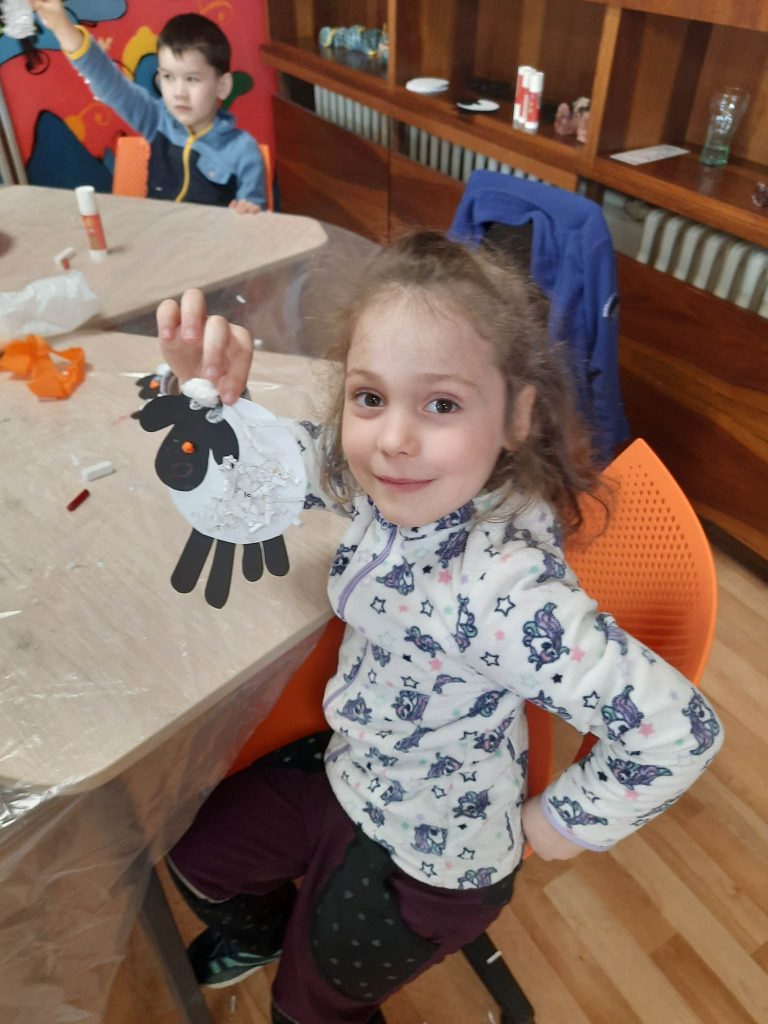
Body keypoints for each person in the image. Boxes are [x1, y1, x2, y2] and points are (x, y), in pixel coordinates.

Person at [154, 232, 723, 1024]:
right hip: (356, 767)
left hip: (432, 857)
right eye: (370, 398)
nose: (393, 439)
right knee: (195, 859)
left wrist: (557, 825)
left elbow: (678, 731)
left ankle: (311, 972)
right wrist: (207, 403)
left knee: (307, 1013)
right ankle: (280, 938)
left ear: (516, 416)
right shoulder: (391, 478)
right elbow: (272, 478)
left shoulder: (505, 597)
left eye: (442, 405)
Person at [31, 2, 266, 212]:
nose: (178, 92)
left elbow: (255, 222)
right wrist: (61, 25)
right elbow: (106, 80)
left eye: (192, 79)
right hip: (157, 239)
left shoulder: (243, 151)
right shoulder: (156, 119)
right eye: (168, 77)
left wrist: (247, 214)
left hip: (211, 246)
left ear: (222, 86)